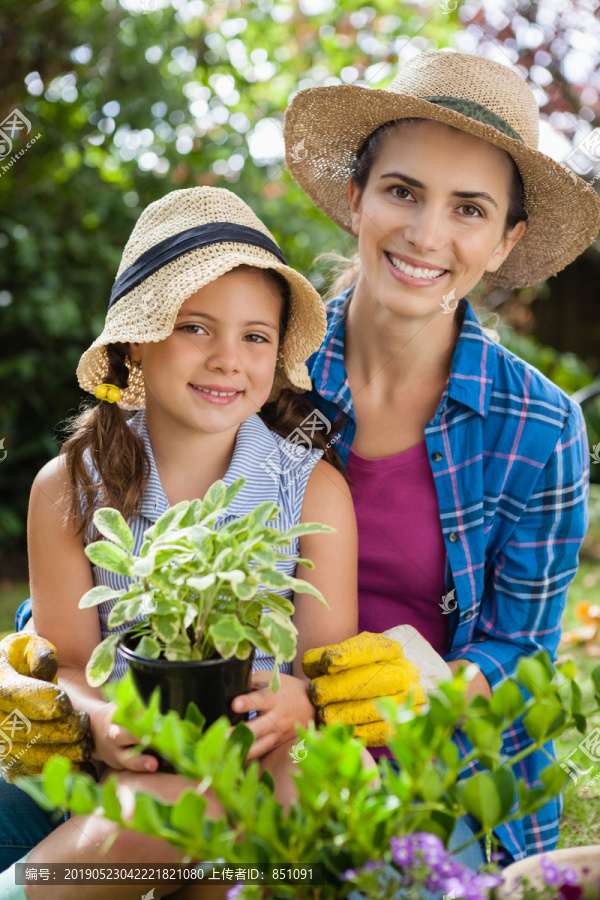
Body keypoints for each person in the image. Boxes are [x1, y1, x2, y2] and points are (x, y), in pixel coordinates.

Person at [0, 185, 365, 898]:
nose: (229, 358)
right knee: (167, 806)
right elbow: (68, 663)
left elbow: (325, 670)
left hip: (260, 758)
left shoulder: (312, 490)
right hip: (127, 772)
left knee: (293, 792)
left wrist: (298, 700)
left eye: (256, 336)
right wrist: (100, 723)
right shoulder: (69, 487)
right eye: (197, 327)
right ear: (138, 338)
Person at [282, 49, 598, 867]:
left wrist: (432, 685)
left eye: (469, 209)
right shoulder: (263, 369)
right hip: (264, 728)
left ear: (503, 241)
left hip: (438, 768)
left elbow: (519, 648)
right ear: (356, 200)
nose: (427, 235)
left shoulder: (540, 425)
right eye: (402, 192)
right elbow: (146, 512)